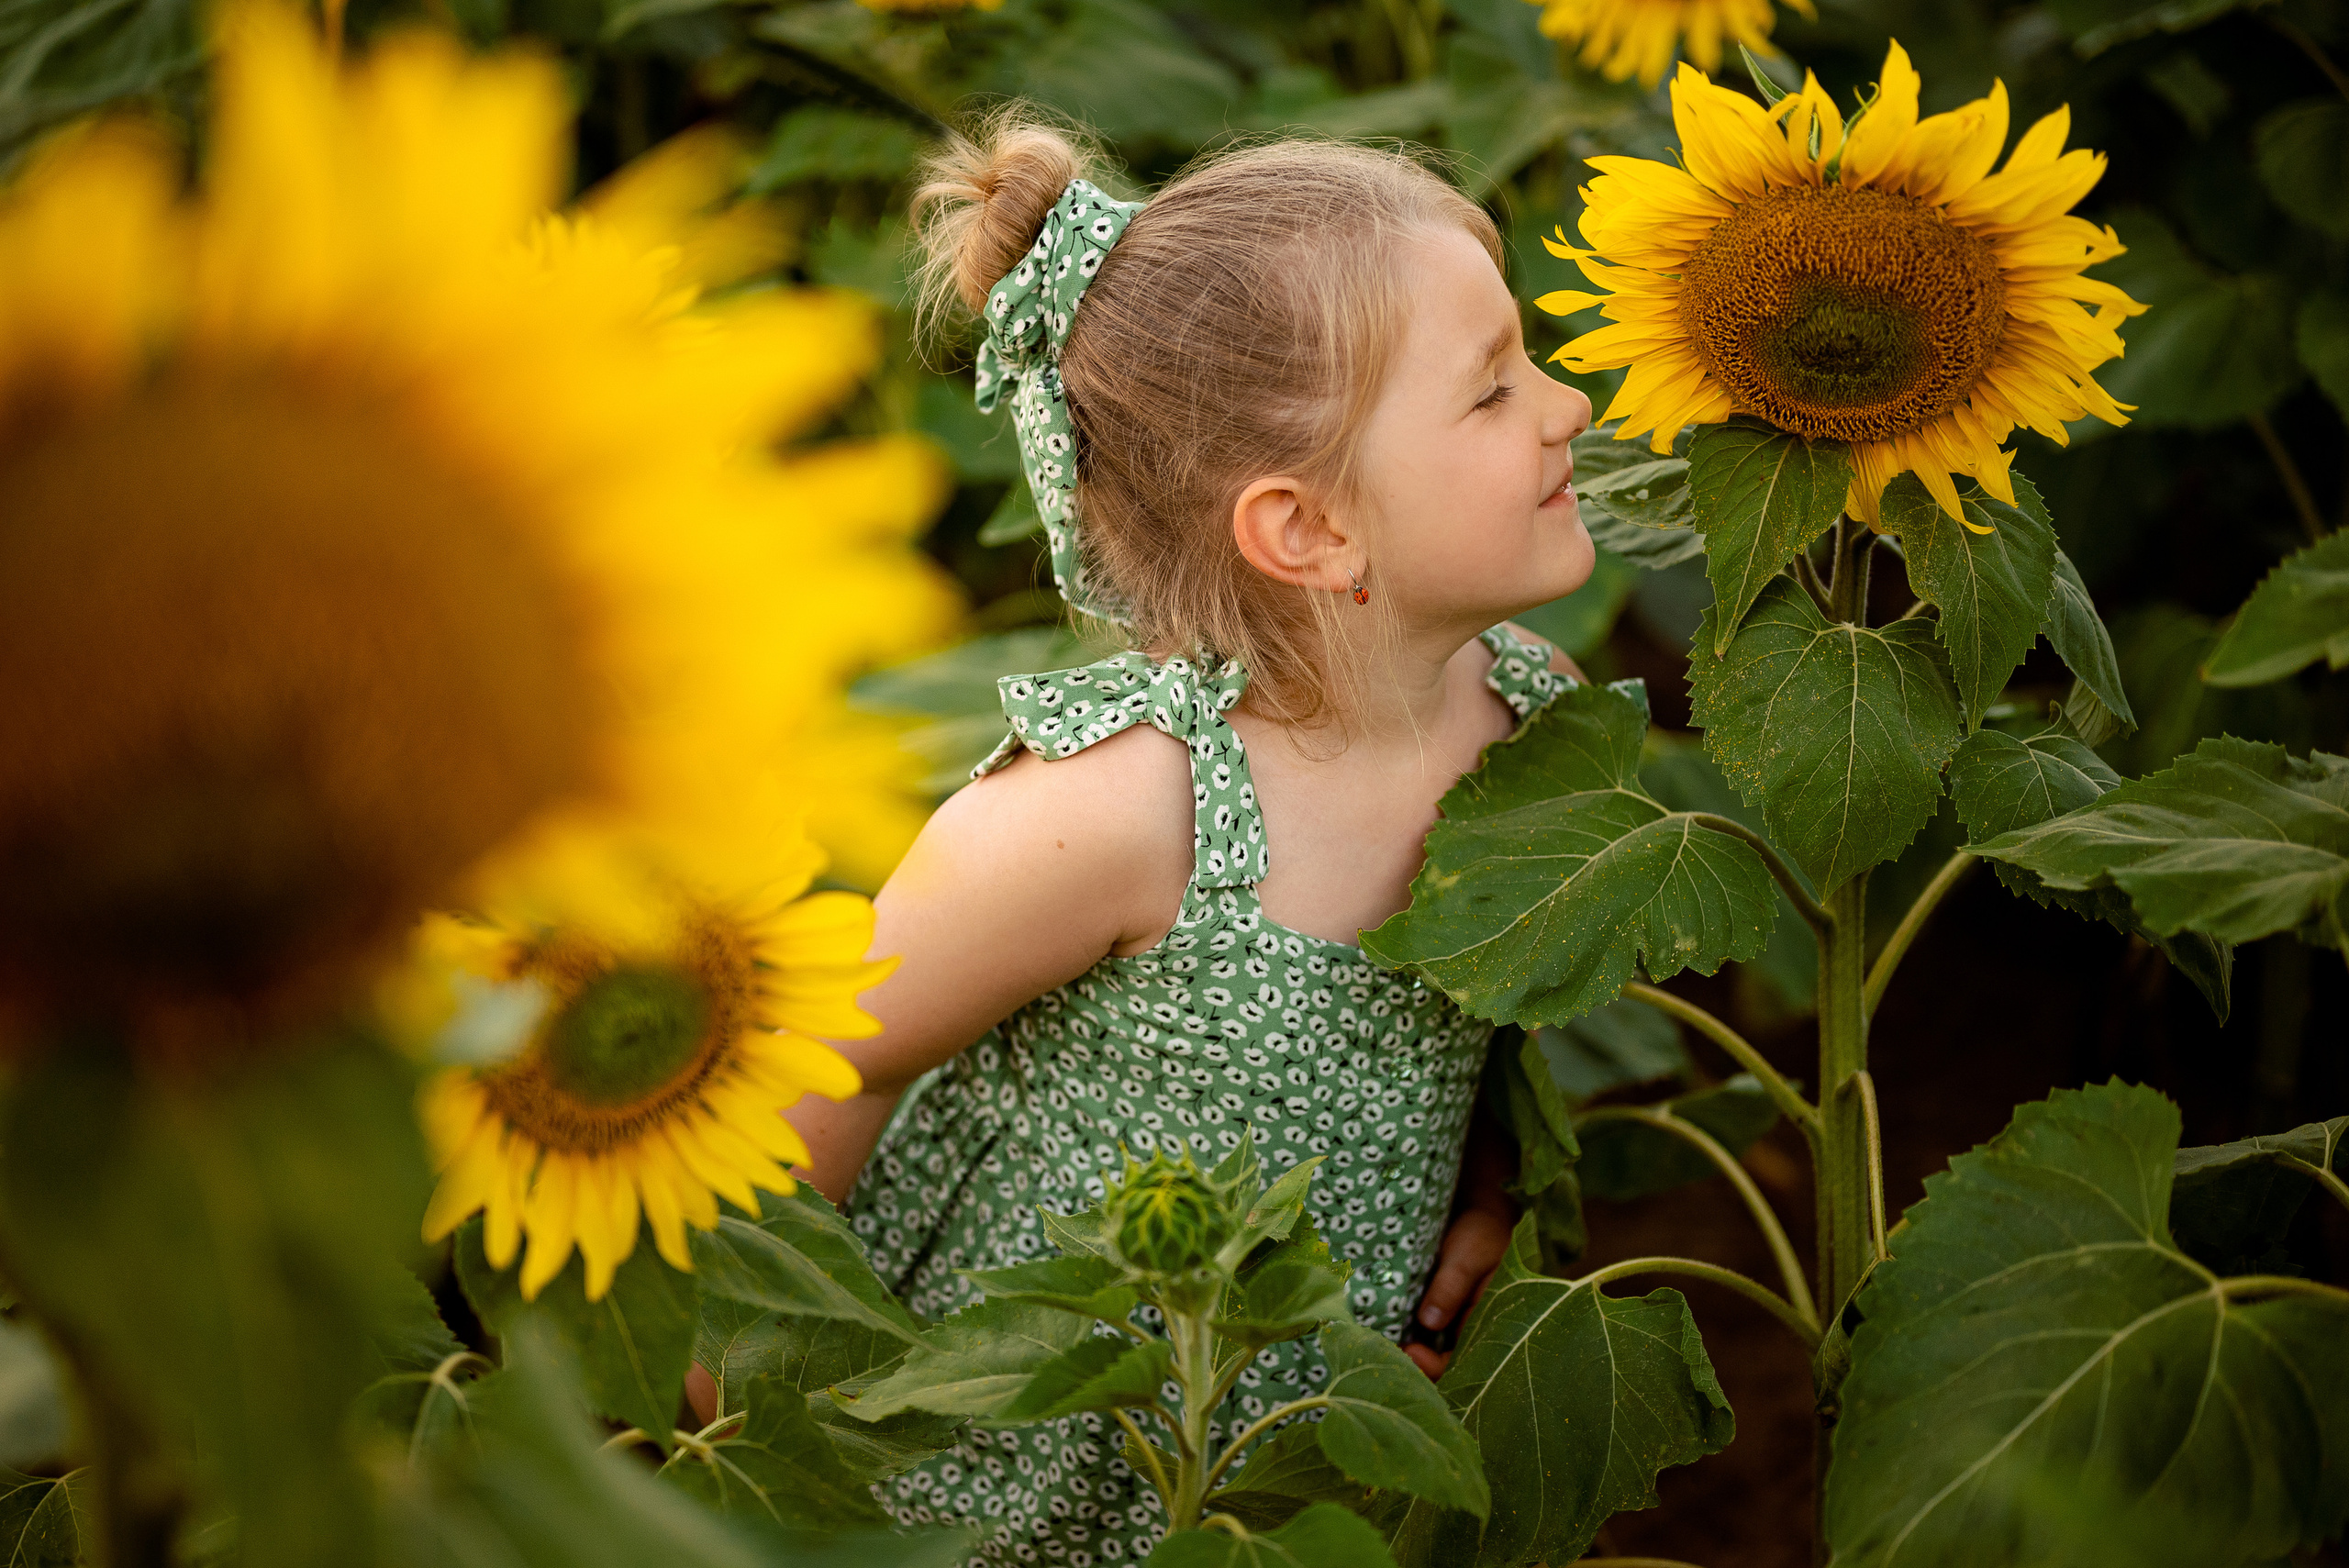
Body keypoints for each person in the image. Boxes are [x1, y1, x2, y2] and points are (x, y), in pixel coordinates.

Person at [784, 113, 1595, 1562]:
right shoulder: (1128, 807)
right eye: (1490, 393)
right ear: (1309, 530)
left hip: (1285, 1447)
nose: (1569, 405)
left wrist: (1485, 1180)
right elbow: (829, 1054)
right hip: (988, 1453)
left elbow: (1479, 1020)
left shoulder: (1539, 730)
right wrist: (747, 1391)